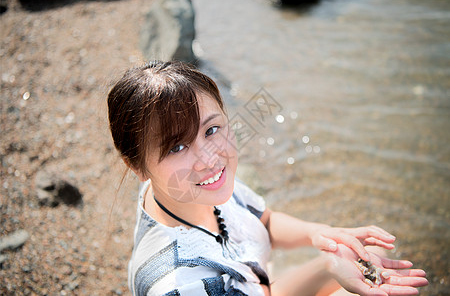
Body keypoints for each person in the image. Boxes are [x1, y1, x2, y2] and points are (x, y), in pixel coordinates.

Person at [107, 60, 428, 296]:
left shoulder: (182, 190)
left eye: (212, 129)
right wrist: (326, 267)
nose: (208, 158)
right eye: (177, 146)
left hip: (258, 284)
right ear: (136, 166)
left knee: (371, 259)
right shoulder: (183, 286)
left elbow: (263, 220)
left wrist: (324, 236)